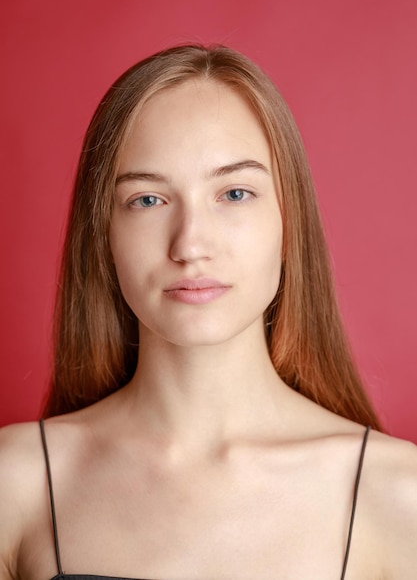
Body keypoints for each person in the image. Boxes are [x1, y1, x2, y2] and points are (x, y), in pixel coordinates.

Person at [0, 44, 416, 580]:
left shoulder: (397, 495)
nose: (191, 244)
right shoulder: (16, 486)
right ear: (103, 238)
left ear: (290, 225)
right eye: (147, 200)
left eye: (235, 192)